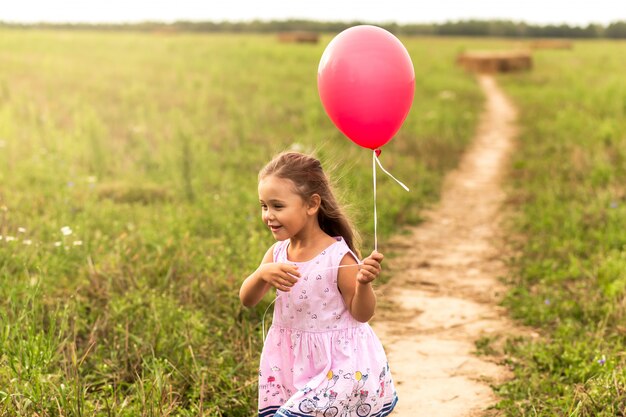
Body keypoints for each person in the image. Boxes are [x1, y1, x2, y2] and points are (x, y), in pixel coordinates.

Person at [240, 151, 398, 417]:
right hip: (291, 364)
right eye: (264, 206)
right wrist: (260, 274)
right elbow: (247, 300)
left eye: (278, 206)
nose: (268, 215)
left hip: (336, 367)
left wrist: (363, 284)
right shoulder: (277, 254)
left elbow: (362, 314)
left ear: (312, 205)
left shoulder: (339, 257)